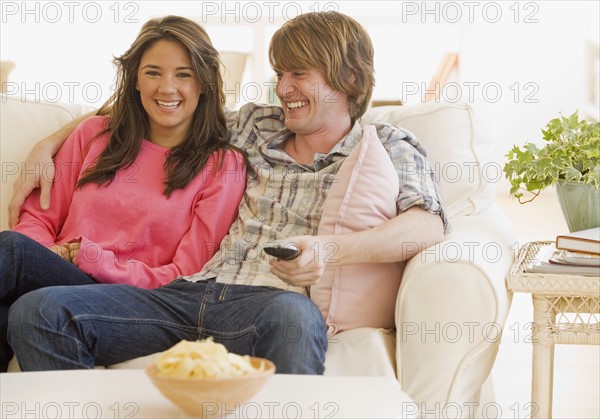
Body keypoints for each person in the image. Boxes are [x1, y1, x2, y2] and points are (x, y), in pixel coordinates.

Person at [6, 11, 447, 374]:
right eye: (279, 74)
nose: (283, 88)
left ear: (349, 76)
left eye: (298, 74)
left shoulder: (387, 144)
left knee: (294, 319)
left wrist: (329, 251)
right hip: (183, 293)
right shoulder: (256, 124)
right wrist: (48, 144)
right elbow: (158, 106)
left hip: (268, 304)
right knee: (39, 310)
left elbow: (427, 224)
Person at [0, 16, 246, 372]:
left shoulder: (224, 166)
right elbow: (39, 218)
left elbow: (185, 273)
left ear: (205, 82)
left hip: (135, 300)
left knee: (10, 252)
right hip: (60, 273)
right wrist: (52, 255)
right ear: (134, 79)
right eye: (152, 72)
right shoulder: (94, 134)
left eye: (183, 74)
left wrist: (91, 258)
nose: (167, 88)